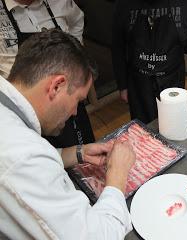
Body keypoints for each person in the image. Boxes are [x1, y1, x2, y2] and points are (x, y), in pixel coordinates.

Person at [0, 29, 136, 239]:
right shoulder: (23, 157)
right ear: (56, 86)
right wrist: (117, 176)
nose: (75, 113)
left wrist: (75, 153)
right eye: (78, 101)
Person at [0, 0, 95, 147]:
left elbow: (77, 19)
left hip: (67, 97)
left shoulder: (60, 2)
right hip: (26, 112)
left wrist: (77, 57)